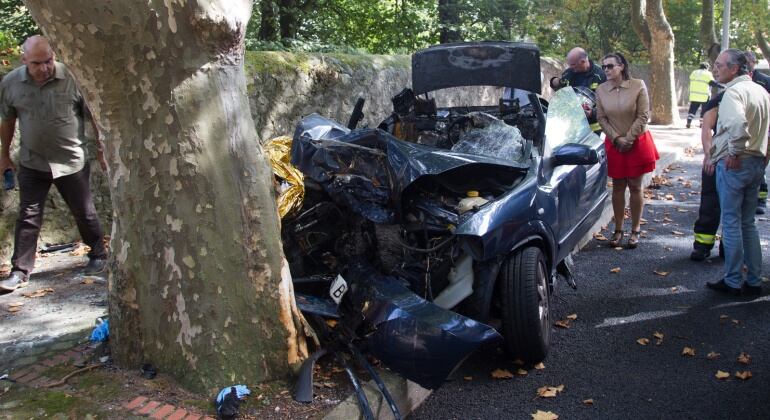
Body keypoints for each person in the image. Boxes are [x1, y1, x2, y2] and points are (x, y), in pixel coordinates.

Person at [0, 36, 107, 293]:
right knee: (28, 215)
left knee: (84, 210)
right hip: (32, 161)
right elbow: (7, 120)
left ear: (54, 56)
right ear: (25, 60)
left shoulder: (72, 77)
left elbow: (95, 114)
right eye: (37, 63)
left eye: (48, 61)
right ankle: (20, 271)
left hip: (70, 160)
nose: (44, 68)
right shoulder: (11, 83)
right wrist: (4, 155)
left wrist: (104, 149)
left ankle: (98, 254)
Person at [706, 49, 770, 296]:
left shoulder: (733, 93)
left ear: (734, 69)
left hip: (736, 163)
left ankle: (732, 281)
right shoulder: (761, 91)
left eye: (720, 65)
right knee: (748, 223)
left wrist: (733, 152)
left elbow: (737, 126)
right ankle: (754, 281)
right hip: (755, 163)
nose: (716, 69)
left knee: (731, 224)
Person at [595, 52, 659, 249]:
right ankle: (618, 229)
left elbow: (643, 115)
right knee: (618, 186)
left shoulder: (638, 85)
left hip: (636, 141)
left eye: (610, 66)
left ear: (621, 66)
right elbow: (601, 117)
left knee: (635, 186)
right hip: (615, 143)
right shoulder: (601, 90)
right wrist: (616, 138)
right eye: (604, 66)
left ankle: (636, 229)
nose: (606, 70)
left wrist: (628, 139)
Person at [690, 90, 724, 261]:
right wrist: (709, 155)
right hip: (721, 158)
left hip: (731, 159)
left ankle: (717, 246)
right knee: (712, 202)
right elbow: (707, 127)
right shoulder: (722, 98)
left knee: (731, 209)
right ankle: (703, 244)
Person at [549, 47, 606, 133]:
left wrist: (592, 113)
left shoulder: (600, 75)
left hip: (594, 130)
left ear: (583, 61)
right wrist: (554, 82)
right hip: (572, 127)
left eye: (573, 64)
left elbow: (608, 104)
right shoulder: (568, 73)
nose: (570, 67)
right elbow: (561, 93)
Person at [744, 51, 770, 214]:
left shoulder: (765, 81)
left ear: (754, 62)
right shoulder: (736, 80)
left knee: (759, 166)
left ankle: (760, 199)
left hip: (762, 129)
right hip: (745, 128)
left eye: (749, 61)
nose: (747, 63)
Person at [686, 62, 718, 129]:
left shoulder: (694, 72)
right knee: (704, 110)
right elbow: (712, 83)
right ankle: (701, 124)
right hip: (704, 96)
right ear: (707, 67)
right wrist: (720, 85)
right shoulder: (707, 73)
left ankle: (689, 122)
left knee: (692, 109)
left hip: (694, 95)